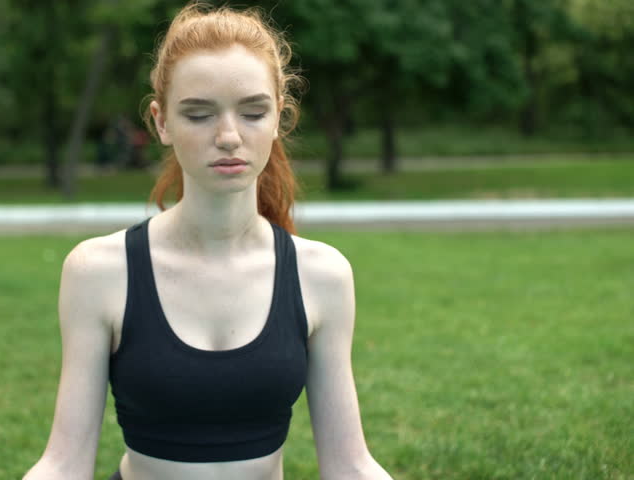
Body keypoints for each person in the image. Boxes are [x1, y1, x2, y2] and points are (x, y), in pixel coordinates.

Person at [24, 3, 393, 480]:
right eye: (198, 114)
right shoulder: (98, 271)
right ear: (161, 122)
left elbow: (350, 465)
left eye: (253, 112)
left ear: (280, 117)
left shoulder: (322, 275)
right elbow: (63, 464)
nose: (228, 136)